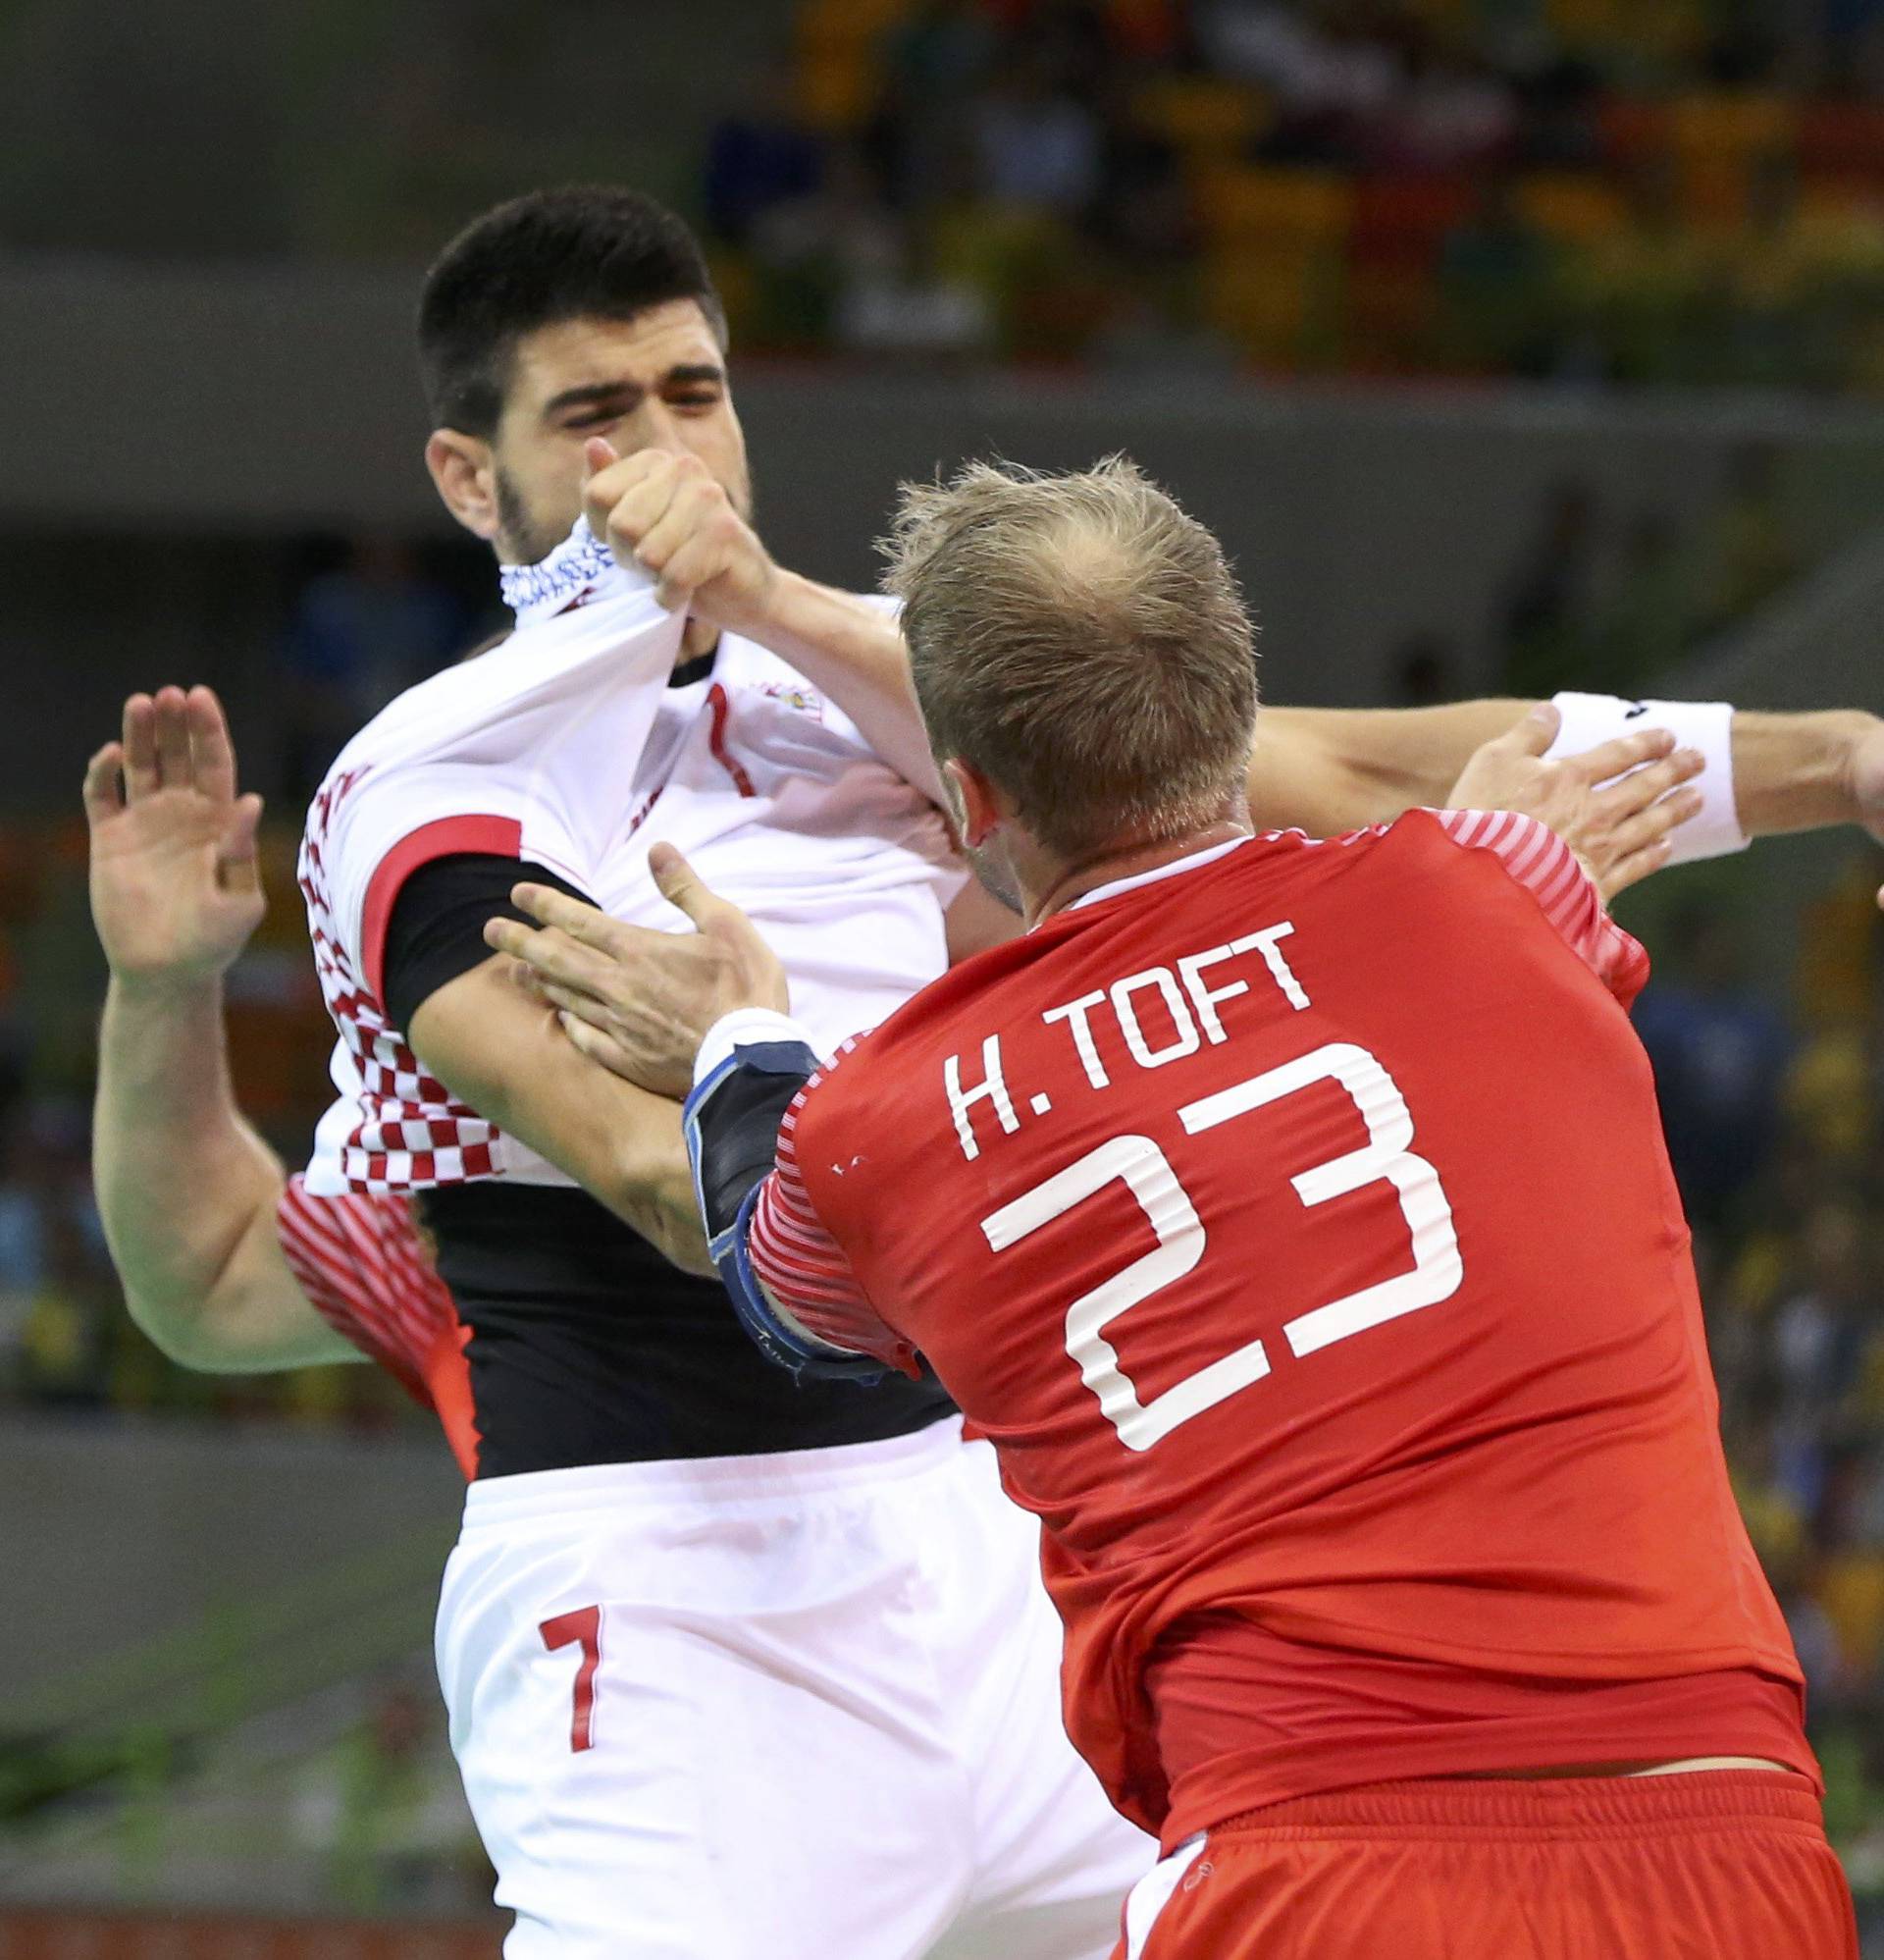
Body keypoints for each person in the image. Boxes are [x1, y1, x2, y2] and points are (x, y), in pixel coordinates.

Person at [86, 185, 1883, 1957]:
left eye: (694, 394)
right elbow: (425, 1236)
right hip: (685, 1591)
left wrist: (1841, 760)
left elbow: (1346, 774)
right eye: (596, 414)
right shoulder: (446, 796)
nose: (663, 454)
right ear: (475, 481)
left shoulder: (896, 697)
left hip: (1008, 1541)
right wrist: (164, 993)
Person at [504, 456, 1863, 1959]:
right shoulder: (1489, 900)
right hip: (1726, 1835)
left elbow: (782, 1290)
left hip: (1314, 1867)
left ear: (964, 794)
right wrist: (1848, 757)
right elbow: (1538, 774)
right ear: (1237, 715)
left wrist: (738, 1050)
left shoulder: (880, 1122)